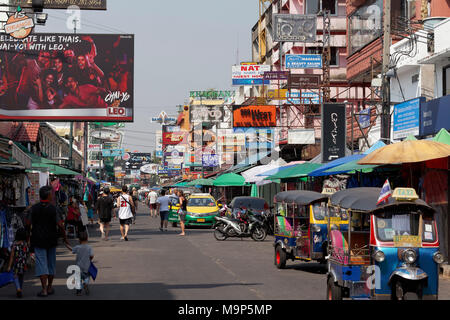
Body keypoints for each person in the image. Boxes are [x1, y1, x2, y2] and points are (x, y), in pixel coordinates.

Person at [26, 186, 70, 297]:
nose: (53, 196)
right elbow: (60, 225)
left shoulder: (33, 208)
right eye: (52, 194)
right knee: (51, 265)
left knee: (42, 265)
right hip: (51, 240)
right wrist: (65, 238)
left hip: (38, 240)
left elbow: (27, 224)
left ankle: (44, 289)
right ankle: (49, 287)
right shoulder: (54, 209)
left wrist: (28, 239)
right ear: (49, 195)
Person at [67, 231, 94, 296]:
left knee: (78, 279)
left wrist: (66, 245)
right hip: (86, 266)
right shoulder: (89, 247)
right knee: (87, 277)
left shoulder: (77, 247)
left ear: (79, 240)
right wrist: (90, 260)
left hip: (78, 266)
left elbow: (72, 250)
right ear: (87, 238)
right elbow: (92, 255)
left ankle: (79, 292)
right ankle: (85, 283)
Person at [6, 229, 30, 298]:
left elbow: (12, 257)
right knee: (21, 277)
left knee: (15, 276)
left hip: (16, 264)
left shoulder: (14, 245)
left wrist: (9, 266)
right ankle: (20, 290)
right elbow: (27, 253)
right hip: (24, 264)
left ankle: (18, 289)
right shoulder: (26, 244)